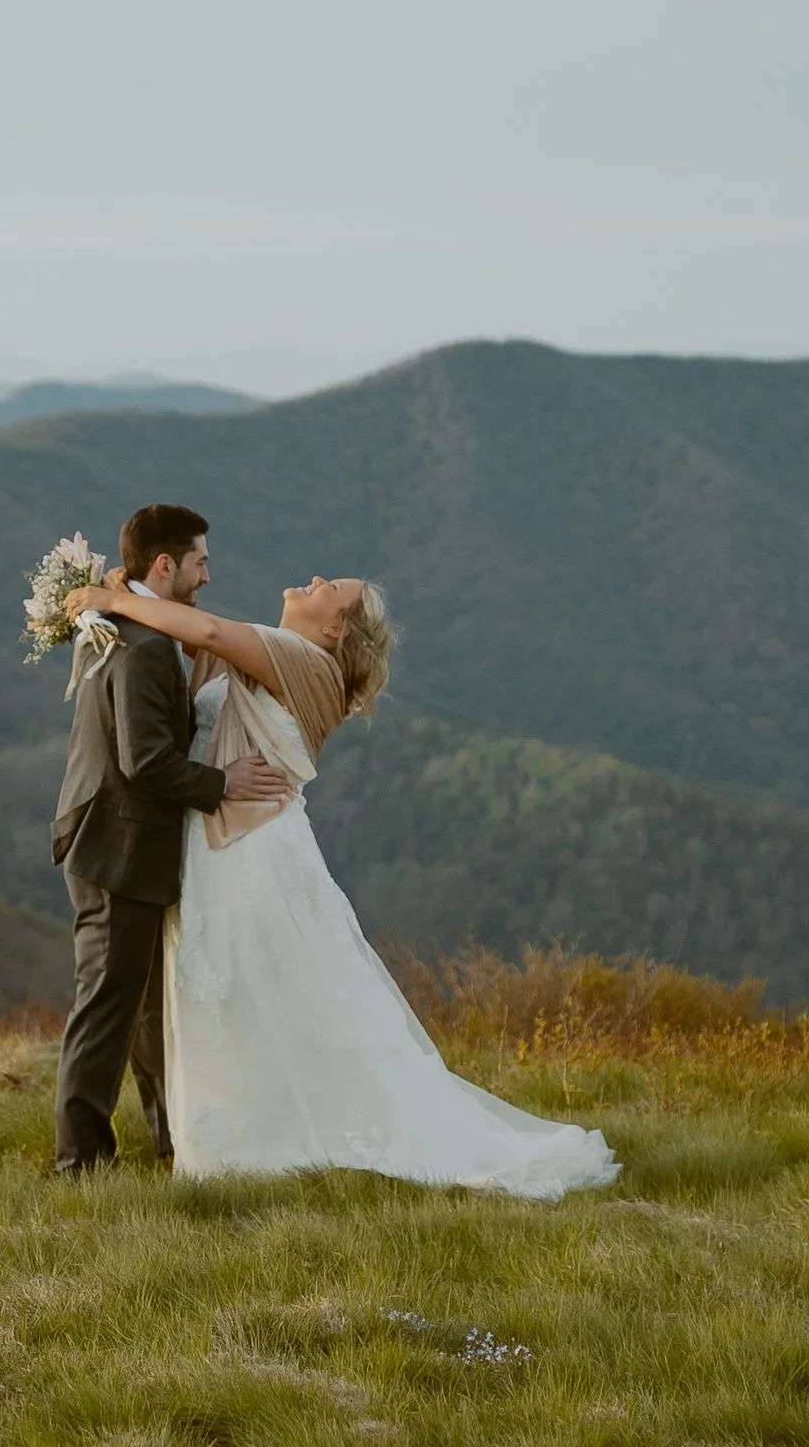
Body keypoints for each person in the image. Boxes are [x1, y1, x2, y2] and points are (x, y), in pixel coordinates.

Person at [68, 556, 617, 1196]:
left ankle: (260, 1144)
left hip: (250, 857)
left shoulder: (308, 664)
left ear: (335, 630)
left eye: (331, 589)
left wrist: (107, 600)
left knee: (249, 994)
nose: (316, 581)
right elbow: (192, 635)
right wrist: (121, 590)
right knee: (235, 1000)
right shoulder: (267, 654)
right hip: (214, 850)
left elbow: (208, 632)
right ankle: (231, 1137)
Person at [49, 503, 293, 1174]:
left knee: (147, 1012)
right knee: (107, 1009)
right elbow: (145, 761)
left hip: (121, 846)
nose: (207, 576)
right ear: (165, 565)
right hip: (116, 851)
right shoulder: (145, 646)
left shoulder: (118, 625)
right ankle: (80, 1164)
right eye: (200, 563)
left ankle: (172, 1139)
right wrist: (223, 783)